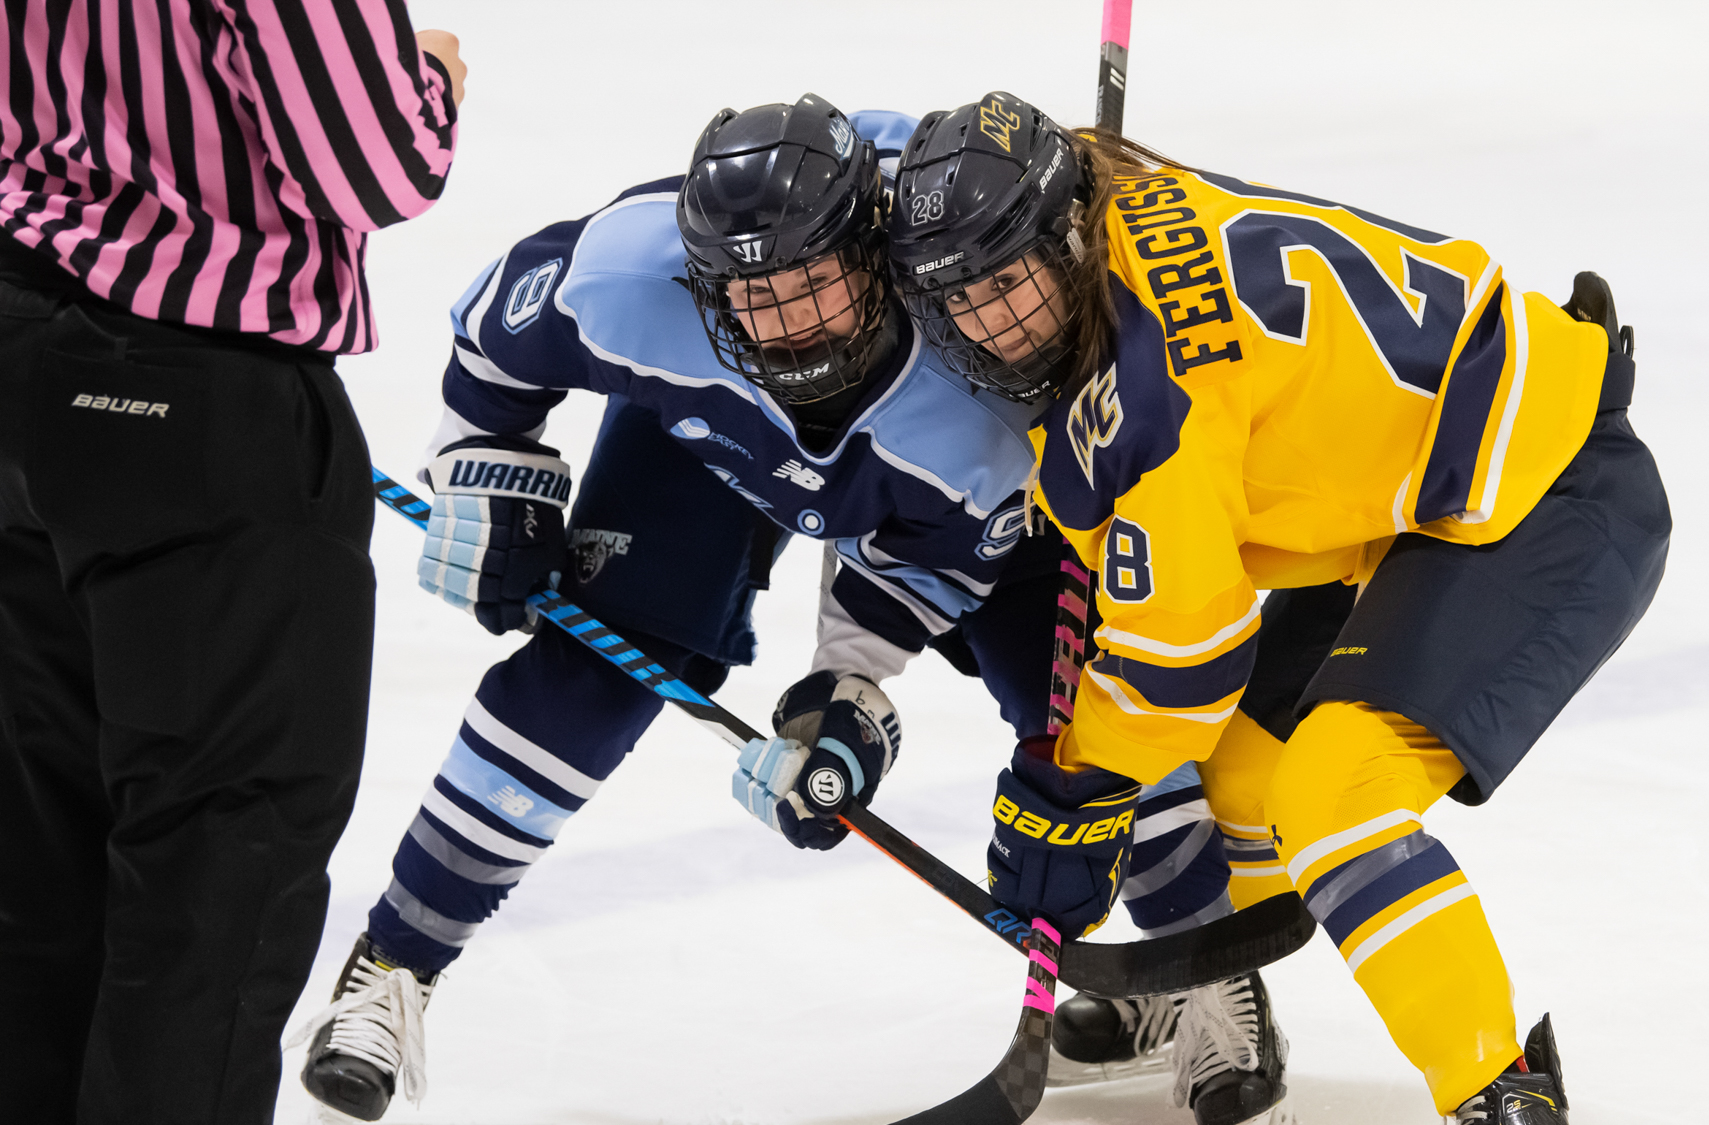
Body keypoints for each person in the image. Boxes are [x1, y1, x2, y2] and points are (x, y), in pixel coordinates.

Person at [289, 94, 1254, 1120]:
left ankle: (1209, 979)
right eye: (751, 292)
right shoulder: (629, 277)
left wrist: (843, 699)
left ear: (871, 259)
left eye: (811, 285)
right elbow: (495, 342)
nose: (787, 322)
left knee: (1085, 718)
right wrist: (483, 470)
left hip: (963, 507)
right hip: (712, 440)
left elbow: (918, 570)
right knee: (598, 660)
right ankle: (392, 966)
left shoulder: (978, 408)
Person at [884, 92, 1672, 1125]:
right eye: (958, 298)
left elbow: (1184, 660)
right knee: (1240, 780)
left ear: (1066, 231)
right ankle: (1181, 976)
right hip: (1429, 486)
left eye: (1006, 281)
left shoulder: (1149, 388)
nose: (989, 322)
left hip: (1545, 488)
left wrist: (1075, 785)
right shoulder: (1094, 183)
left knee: (1335, 795)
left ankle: (1498, 1090)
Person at [0, 5, 465, 1123]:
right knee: (214, 880)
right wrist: (430, 81)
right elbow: (370, 165)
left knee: (36, 872)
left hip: (16, 360)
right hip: (198, 401)